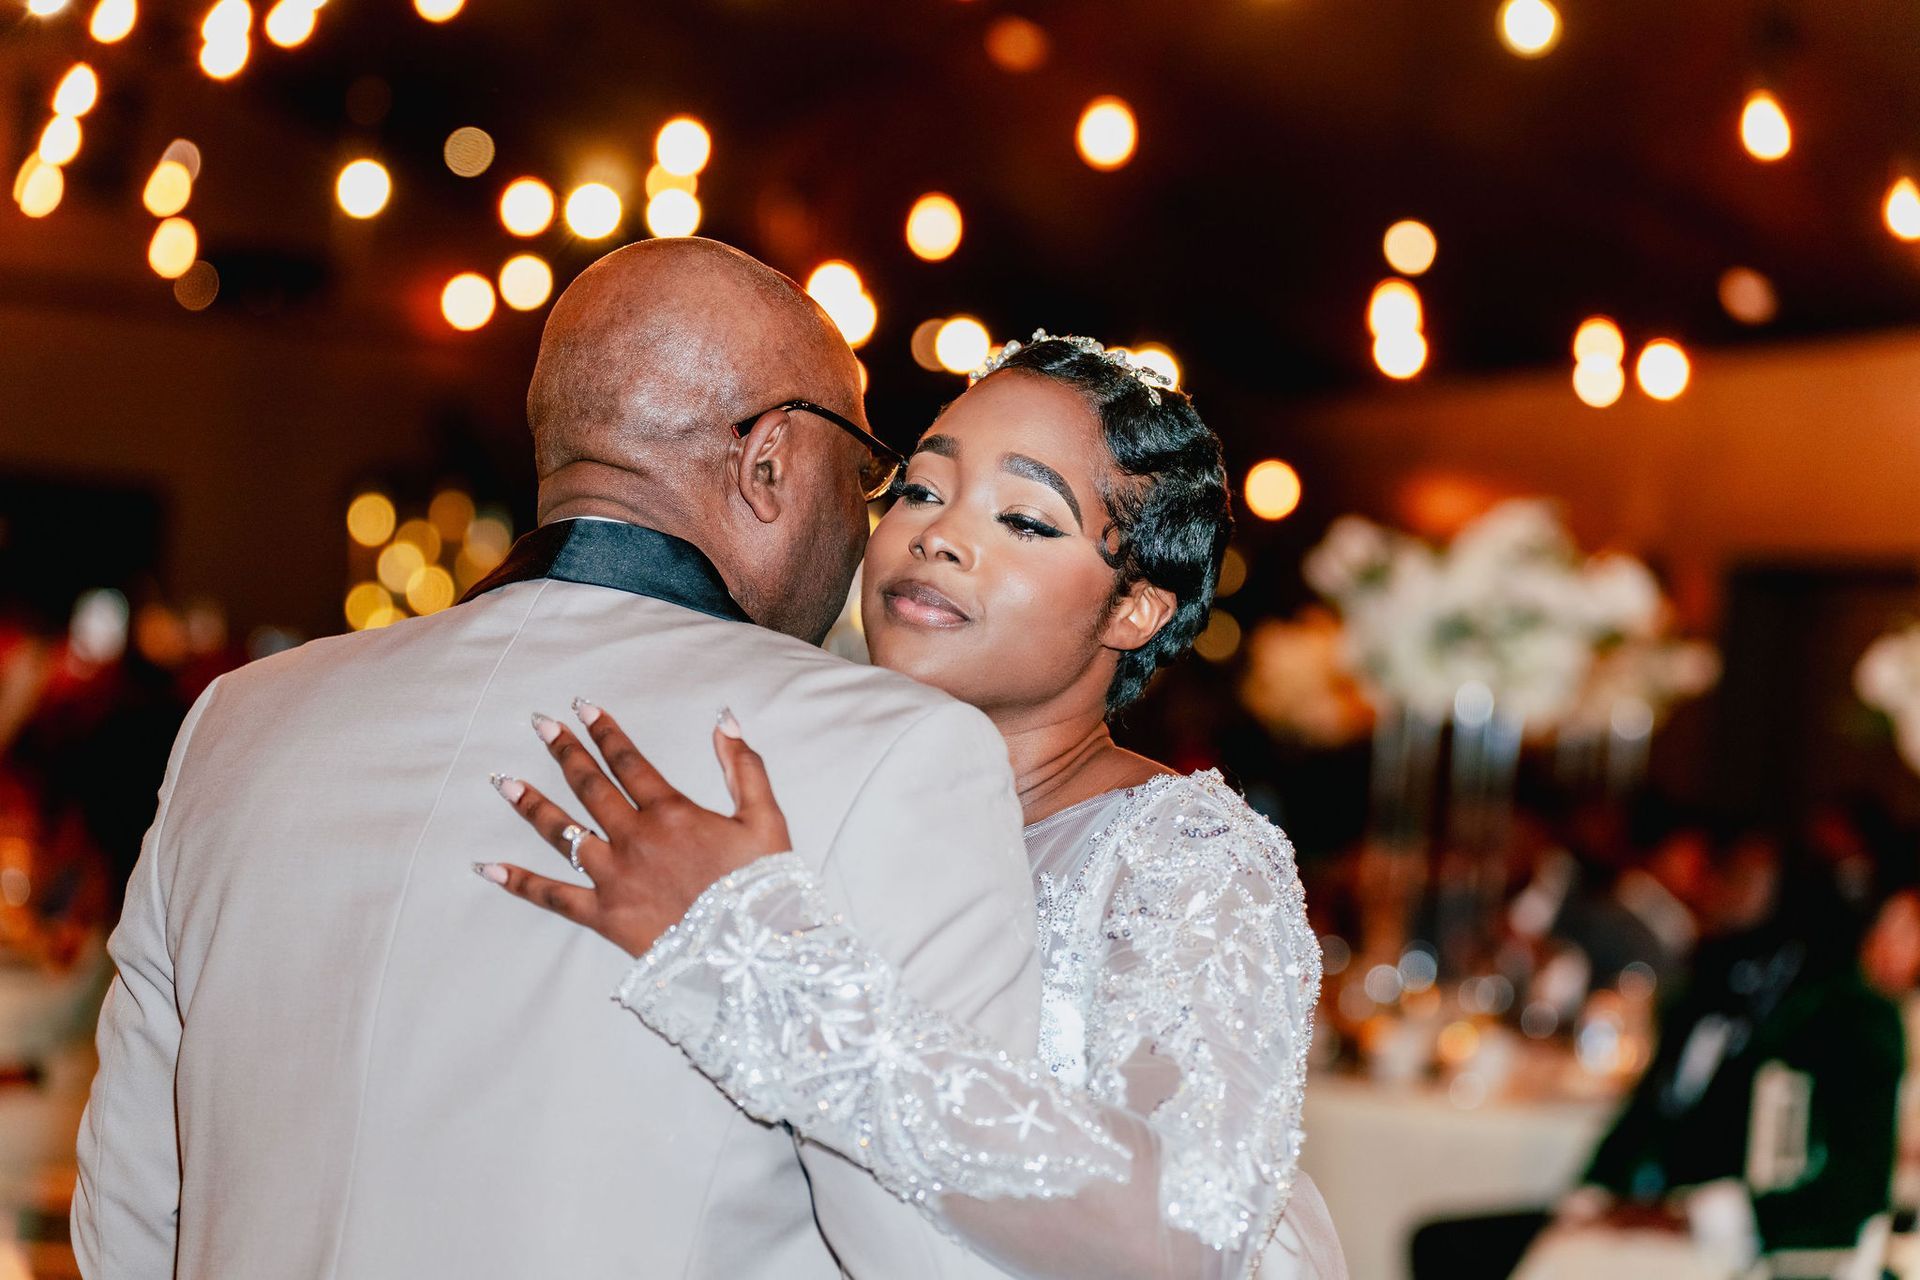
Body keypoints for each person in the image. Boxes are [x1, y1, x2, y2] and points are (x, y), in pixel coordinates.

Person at [72, 238, 1048, 1278]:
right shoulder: (896, 750)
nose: (864, 523)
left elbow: (127, 1223)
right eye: (861, 473)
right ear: (768, 462)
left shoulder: (243, 719)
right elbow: (959, 1255)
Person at [478, 333, 1347, 1278]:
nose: (937, 535)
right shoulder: (789, 784)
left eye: (1025, 520)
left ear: (1135, 607)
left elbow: (1190, 1226)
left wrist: (763, 971)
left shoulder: (1182, 856)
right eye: (923, 491)